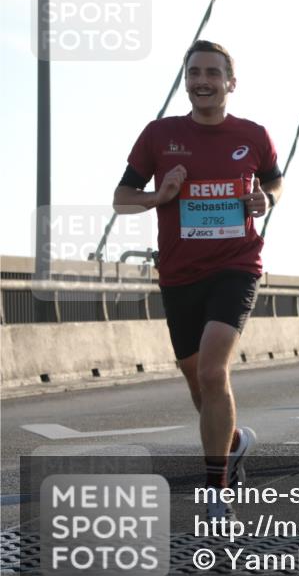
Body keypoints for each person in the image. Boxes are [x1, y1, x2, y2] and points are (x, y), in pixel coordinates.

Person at [113, 41, 283, 518]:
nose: (202, 81)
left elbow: (275, 180)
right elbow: (121, 198)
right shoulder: (160, 135)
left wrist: (267, 199)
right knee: (197, 382)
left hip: (236, 266)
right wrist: (158, 196)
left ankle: (217, 490)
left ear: (231, 82)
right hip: (179, 274)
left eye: (212, 73)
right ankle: (234, 442)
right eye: (194, 73)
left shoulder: (253, 135)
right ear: (185, 80)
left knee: (212, 372)